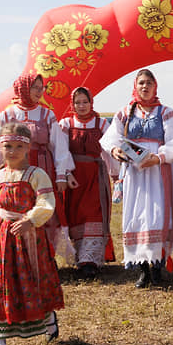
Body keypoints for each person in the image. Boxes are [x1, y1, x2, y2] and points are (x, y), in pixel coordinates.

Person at [0, 122, 64, 345]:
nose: (12, 151)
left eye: (18, 146)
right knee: (1, 285)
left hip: (30, 237)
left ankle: (49, 320)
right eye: (7, 146)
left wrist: (30, 220)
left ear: (28, 148)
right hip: (4, 240)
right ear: (0, 147)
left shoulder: (36, 175)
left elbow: (46, 201)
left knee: (34, 280)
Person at [99, 69, 173, 288]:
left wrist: (158, 157)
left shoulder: (166, 113)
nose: (145, 87)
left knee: (157, 215)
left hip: (158, 172)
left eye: (149, 83)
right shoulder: (126, 112)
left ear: (156, 86)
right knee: (136, 215)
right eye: (141, 83)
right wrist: (115, 150)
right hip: (134, 173)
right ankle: (143, 269)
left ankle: (157, 267)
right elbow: (110, 137)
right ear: (135, 86)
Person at [0, 73, 76, 265]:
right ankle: (15, 256)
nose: (39, 92)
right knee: (15, 210)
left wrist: (61, 174)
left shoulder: (47, 114)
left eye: (41, 88)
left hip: (43, 167)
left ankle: (44, 257)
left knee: (44, 211)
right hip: (13, 171)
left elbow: (58, 146)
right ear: (23, 88)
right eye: (35, 87)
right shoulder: (6, 115)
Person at [58, 87, 118, 279]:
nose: (82, 106)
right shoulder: (65, 124)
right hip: (73, 178)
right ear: (72, 104)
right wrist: (66, 173)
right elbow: (60, 151)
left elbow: (109, 149)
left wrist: (116, 175)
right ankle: (79, 257)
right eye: (77, 103)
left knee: (94, 214)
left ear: (91, 102)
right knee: (76, 214)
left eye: (85, 102)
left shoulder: (101, 124)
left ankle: (89, 260)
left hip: (95, 176)